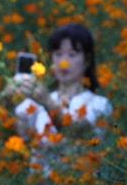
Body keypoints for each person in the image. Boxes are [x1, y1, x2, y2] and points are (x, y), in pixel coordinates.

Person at [12, 24, 113, 172]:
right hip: (39, 183)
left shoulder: (99, 104)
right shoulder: (38, 102)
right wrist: (10, 99)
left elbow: (76, 129)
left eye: (72, 55)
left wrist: (47, 102)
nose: (63, 62)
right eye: (58, 54)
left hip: (80, 182)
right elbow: (20, 135)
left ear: (87, 60)